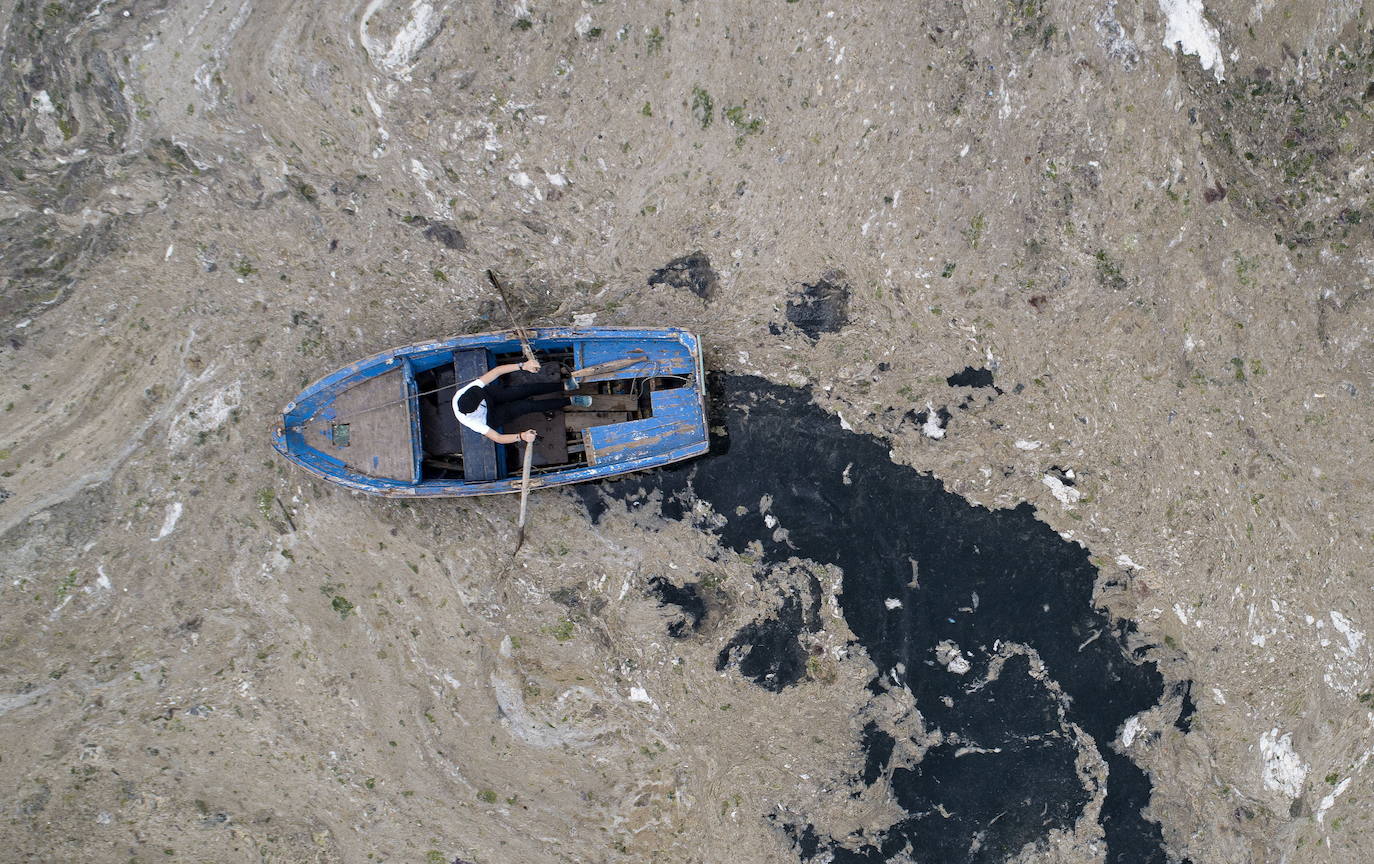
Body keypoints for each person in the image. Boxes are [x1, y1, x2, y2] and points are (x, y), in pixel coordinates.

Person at [452, 358, 591, 444]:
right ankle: (571, 401)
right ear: (475, 409)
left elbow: (496, 372)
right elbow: (498, 438)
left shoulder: (465, 393)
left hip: (489, 396)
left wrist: (522, 365)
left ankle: (565, 386)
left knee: (523, 390)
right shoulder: (473, 422)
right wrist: (521, 436)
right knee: (526, 406)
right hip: (490, 416)